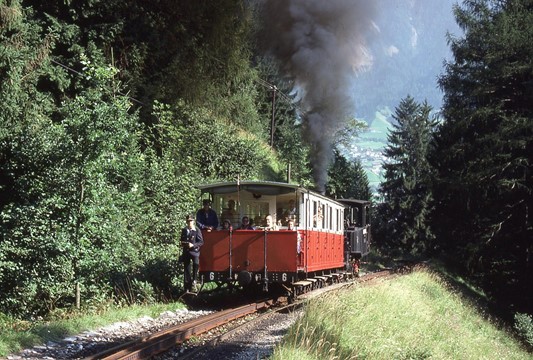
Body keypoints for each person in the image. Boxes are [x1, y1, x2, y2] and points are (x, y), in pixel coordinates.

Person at [180, 214, 204, 292]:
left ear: (193, 221)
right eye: (188, 221)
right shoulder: (184, 230)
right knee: (186, 269)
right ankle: (187, 288)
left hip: (194, 252)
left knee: (196, 264)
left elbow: (201, 242)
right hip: (186, 251)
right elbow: (181, 239)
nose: (189, 222)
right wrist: (184, 243)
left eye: (191, 221)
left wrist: (193, 245)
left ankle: (194, 280)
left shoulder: (197, 230)